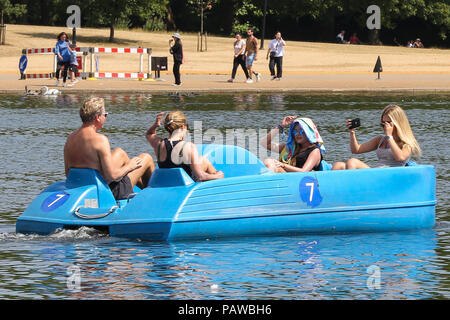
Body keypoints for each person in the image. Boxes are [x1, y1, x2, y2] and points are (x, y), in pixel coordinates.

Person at [64, 97, 155, 200]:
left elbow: (68, 173)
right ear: (98, 117)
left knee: (119, 152)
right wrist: (130, 166)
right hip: (105, 191)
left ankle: (141, 188)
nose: (105, 118)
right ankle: (152, 197)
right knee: (146, 158)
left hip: (82, 188)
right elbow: (112, 176)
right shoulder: (100, 140)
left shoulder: (70, 138)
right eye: (105, 115)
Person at [331, 104, 421, 170]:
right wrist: (352, 133)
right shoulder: (380, 140)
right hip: (377, 172)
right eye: (383, 123)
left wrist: (390, 136)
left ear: (398, 124)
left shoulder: (406, 144)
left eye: (388, 123)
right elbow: (356, 150)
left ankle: (352, 192)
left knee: (352, 162)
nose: (385, 126)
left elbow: (400, 157)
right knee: (338, 166)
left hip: (390, 177)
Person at [146, 111, 224, 182]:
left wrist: (155, 125)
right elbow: (201, 176)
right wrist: (218, 176)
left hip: (166, 182)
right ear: (183, 126)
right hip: (185, 185)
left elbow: (149, 134)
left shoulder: (159, 144)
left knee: (202, 160)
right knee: (206, 163)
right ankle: (219, 187)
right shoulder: (189, 146)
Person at [261, 116, 326, 172]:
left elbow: (304, 171)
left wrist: (283, 165)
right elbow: (264, 143)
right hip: (287, 178)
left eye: (301, 131)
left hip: (301, 181)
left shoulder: (315, 151)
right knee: (269, 162)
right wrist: (281, 126)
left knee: (270, 162)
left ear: (309, 132)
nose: (297, 134)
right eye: (295, 131)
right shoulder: (288, 148)